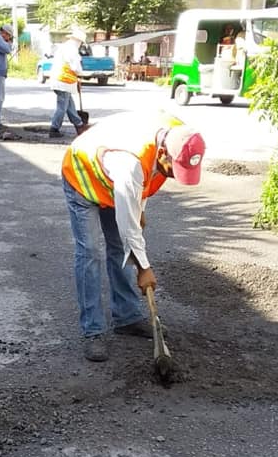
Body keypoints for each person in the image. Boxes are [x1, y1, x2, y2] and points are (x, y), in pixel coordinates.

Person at [61, 112, 206, 361]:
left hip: (116, 179)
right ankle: (93, 331)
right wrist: (144, 269)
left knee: (118, 247)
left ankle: (126, 317)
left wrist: (139, 208)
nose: (172, 176)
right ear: (163, 155)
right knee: (92, 252)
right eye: (174, 170)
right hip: (83, 174)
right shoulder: (130, 163)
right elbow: (129, 227)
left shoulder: (179, 137)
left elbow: (145, 183)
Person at [49, 26, 89, 139]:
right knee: (62, 106)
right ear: (79, 40)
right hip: (63, 81)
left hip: (62, 81)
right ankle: (54, 128)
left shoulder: (66, 47)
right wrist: (81, 74)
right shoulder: (71, 49)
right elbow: (75, 66)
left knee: (69, 106)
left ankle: (79, 125)